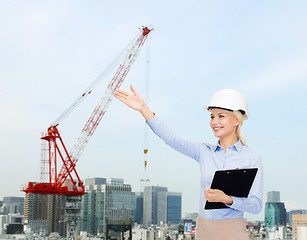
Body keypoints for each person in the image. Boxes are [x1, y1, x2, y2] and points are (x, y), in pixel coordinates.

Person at [114, 85, 263, 240]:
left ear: (236, 120)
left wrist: (227, 199)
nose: (214, 122)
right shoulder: (204, 152)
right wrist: (143, 109)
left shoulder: (251, 157)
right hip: (204, 228)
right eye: (212, 117)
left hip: (233, 229)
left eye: (221, 116)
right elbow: (171, 138)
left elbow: (256, 205)